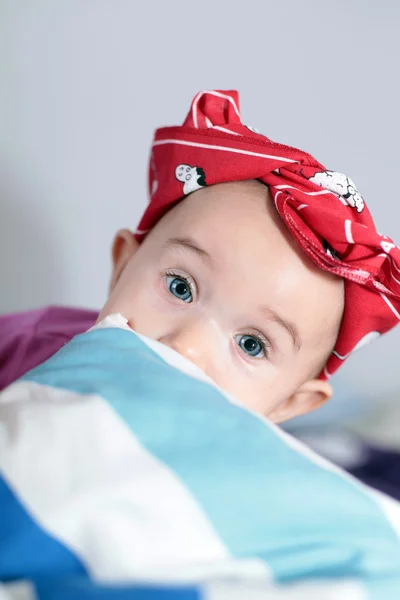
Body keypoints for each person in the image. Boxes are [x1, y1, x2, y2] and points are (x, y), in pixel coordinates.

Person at [1, 90, 399, 423]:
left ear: (288, 404)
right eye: (180, 287)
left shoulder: (240, 486)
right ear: (123, 266)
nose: (186, 346)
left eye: (251, 345)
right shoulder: (29, 345)